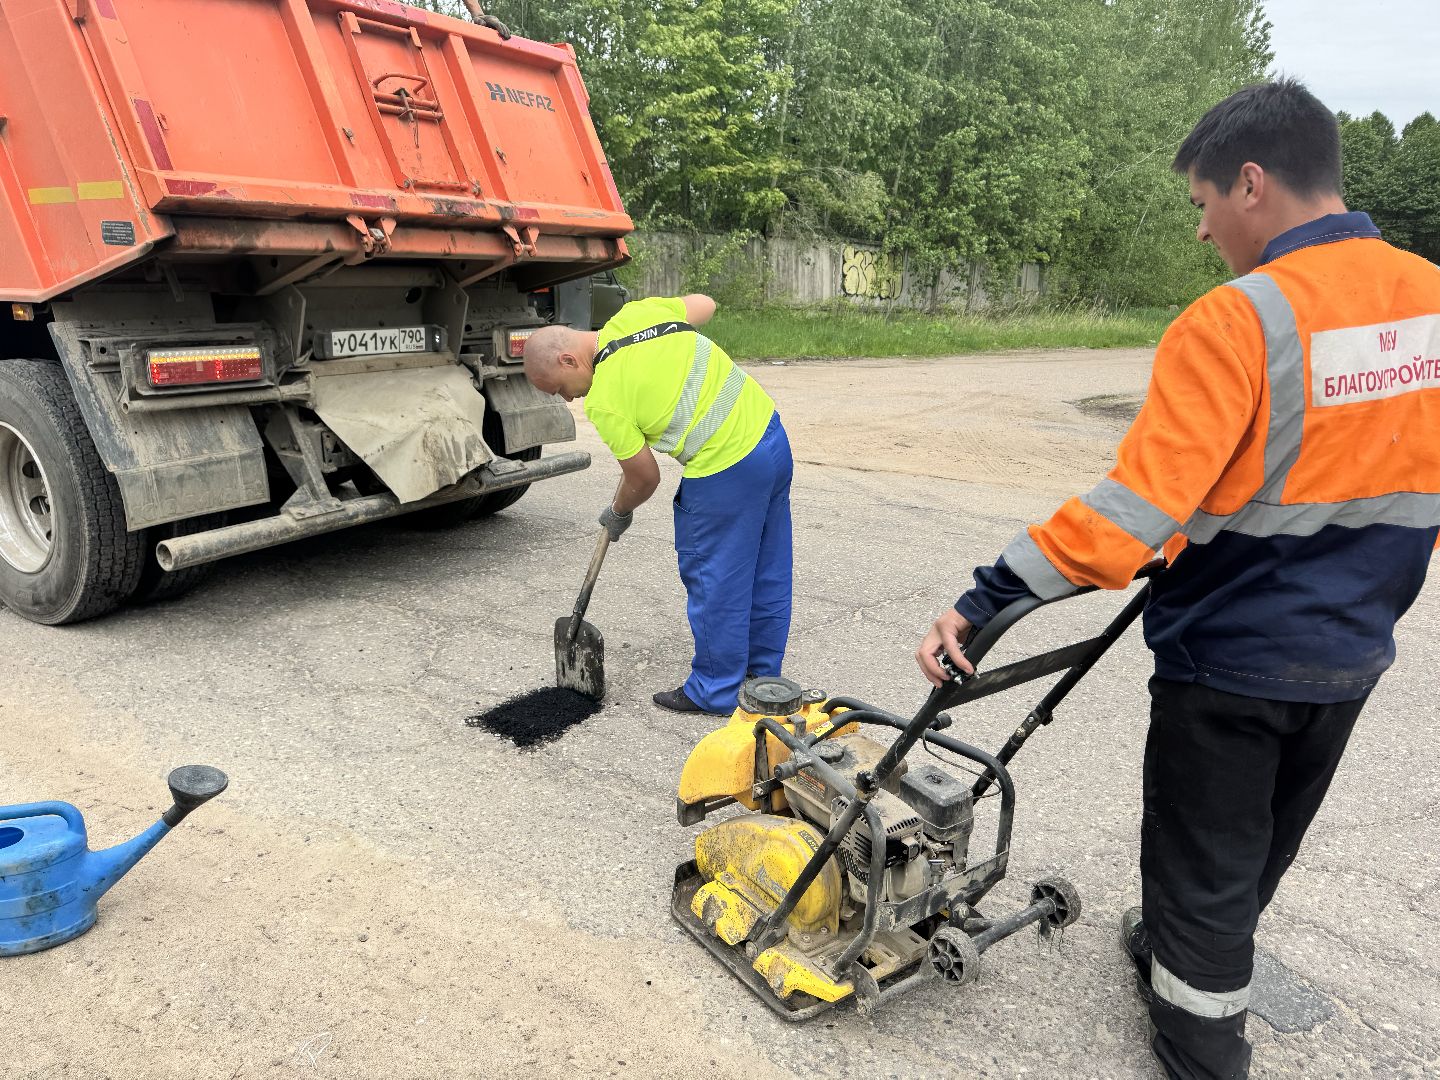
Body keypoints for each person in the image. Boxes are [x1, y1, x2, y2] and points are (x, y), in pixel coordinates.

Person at [915, 80, 1440, 1079]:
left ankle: (1201, 1042)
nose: (1202, 234)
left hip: (1234, 663)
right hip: (1353, 655)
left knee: (1203, 868)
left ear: (1252, 183)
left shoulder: (1239, 319)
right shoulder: (1433, 298)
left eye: (1202, 206)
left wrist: (984, 603)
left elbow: (1133, 516)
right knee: (1261, 844)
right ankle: (1185, 951)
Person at [524, 293, 793, 715]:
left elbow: (644, 477)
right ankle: (763, 678)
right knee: (767, 568)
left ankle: (713, 690)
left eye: (559, 390)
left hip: (726, 469)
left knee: (715, 580)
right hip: (770, 438)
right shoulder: (639, 314)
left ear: (568, 361)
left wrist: (618, 512)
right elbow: (705, 304)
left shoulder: (605, 399)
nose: (567, 400)